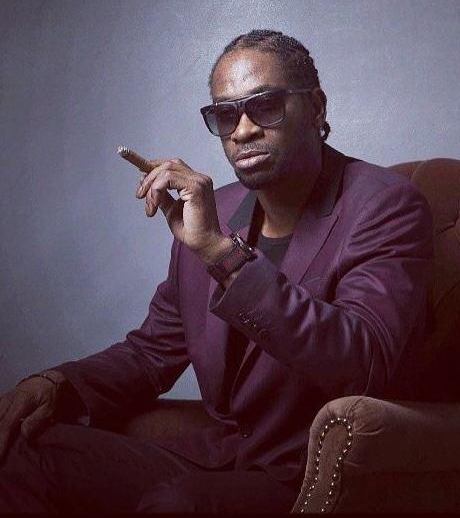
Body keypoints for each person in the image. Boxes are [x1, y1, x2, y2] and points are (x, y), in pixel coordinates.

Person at [0, 29, 433, 513]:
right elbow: (152, 354)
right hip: (223, 456)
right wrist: (55, 383)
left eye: (265, 106)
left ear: (316, 107)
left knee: (179, 504)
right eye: (226, 115)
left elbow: (364, 362)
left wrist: (218, 252)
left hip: (312, 473)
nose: (243, 131)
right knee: (23, 452)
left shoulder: (384, 205)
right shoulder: (217, 210)